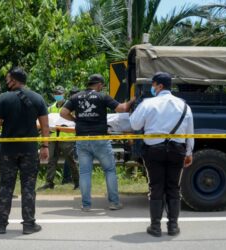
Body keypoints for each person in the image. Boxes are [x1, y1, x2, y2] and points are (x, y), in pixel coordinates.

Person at [129, 72, 194, 237]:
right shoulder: (184, 105)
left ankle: (155, 227)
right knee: (173, 188)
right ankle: (173, 226)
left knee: (156, 187)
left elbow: (135, 124)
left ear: (159, 86)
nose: (152, 88)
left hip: (154, 151)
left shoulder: (148, 103)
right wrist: (189, 153)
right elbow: (189, 133)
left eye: (153, 85)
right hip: (177, 151)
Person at [0, 67, 49, 235]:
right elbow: (45, 126)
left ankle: (1, 224)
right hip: (29, 150)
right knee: (29, 187)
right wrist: (45, 146)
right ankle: (29, 224)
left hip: (8, 151)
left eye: (8, 79)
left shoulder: (4, 99)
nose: (6, 82)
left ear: (14, 80)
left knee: (6, 186)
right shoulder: (37, 98)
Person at [60, 74, 133, 211]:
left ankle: (86, 205)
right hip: (99, 138)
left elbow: (63, 112)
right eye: (102, 86)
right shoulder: (102, 96)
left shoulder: (76, 97)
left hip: (82, 139)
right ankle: (114, 203)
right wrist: (132, 100)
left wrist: (76, 120)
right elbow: (122, 109)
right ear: (99, 85)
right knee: (109, 170)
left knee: (85, 173)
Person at [38, 85, 79, 191]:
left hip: (67, 138)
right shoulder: (50, 108)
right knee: (51, 161)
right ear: (53, 94)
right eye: (56, 93)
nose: (58, 95)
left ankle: (77, 182)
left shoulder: (70, 106)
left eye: (60, 93)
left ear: (64, 94)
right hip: (53, 137)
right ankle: (49, 182)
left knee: (71, 161)